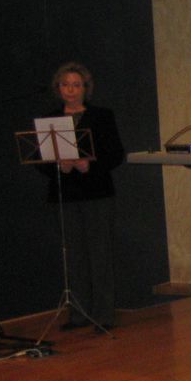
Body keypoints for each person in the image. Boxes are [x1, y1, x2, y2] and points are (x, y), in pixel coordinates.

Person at [38, 62, 124, 330]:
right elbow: (41, 160)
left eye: (76, 85)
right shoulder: (50, 120)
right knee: (73, 257)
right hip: (65, 195)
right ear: (58, 88)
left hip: (96, 193)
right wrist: (58, 167)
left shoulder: (101, 116)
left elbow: (115, 154)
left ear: (86, 88)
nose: (71, 90)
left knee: (100, 255)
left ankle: (103, 315)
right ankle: (78, 313)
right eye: (65, 85)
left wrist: (90, 165)